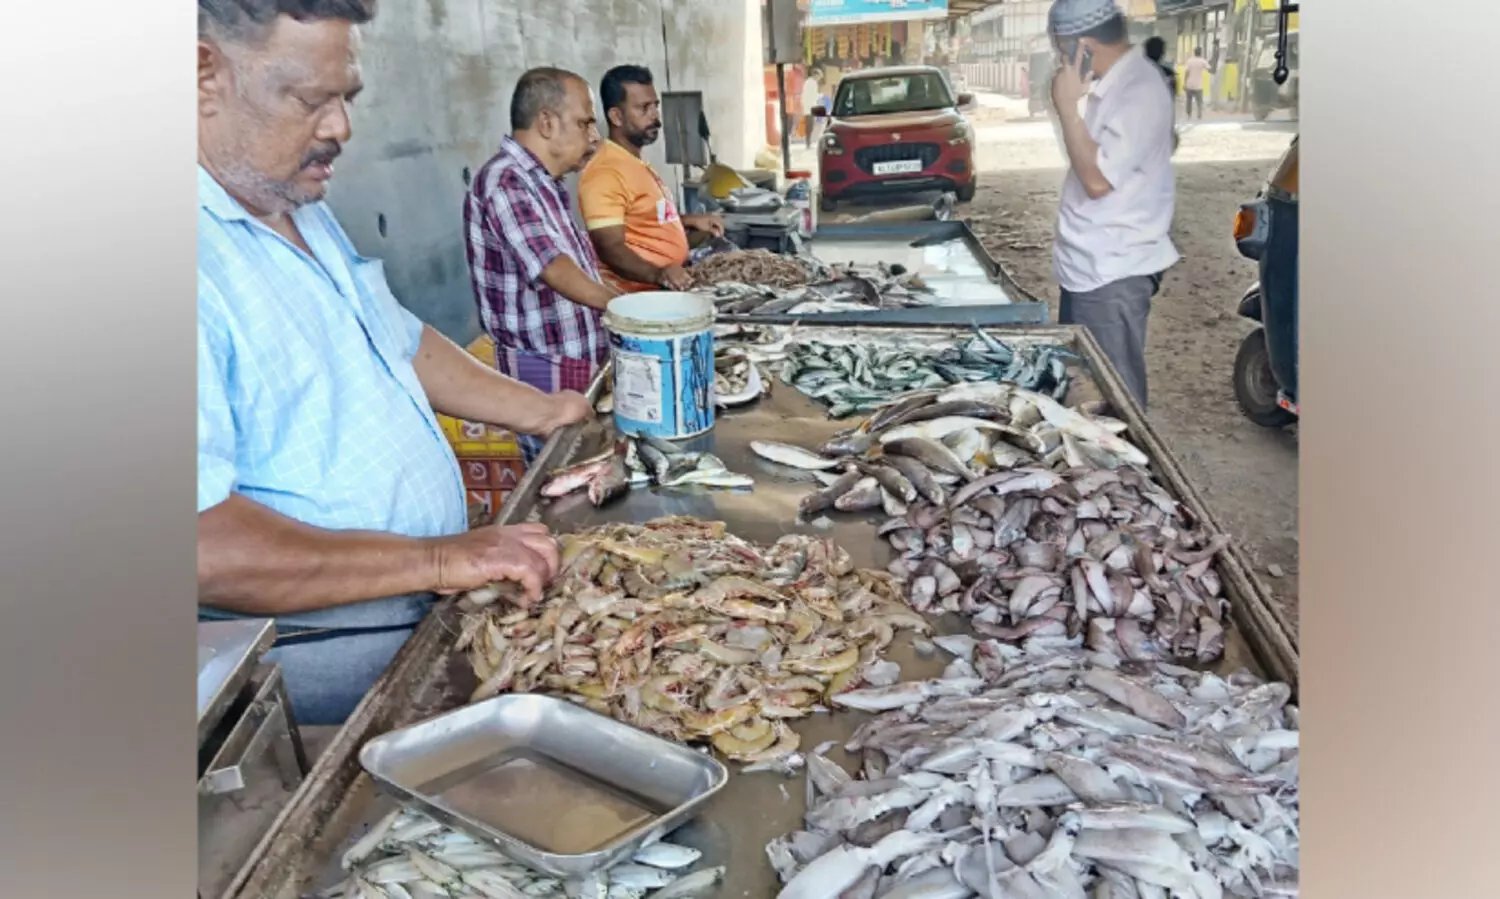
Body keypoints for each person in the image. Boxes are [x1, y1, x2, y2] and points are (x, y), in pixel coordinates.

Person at [197, 0, 590, 725]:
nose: (341, 128)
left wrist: (548, 410)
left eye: (346, 98)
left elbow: (397, 338)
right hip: (326, 690)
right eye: (312, 99)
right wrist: (439, 559)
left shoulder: (295, 203)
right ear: (202, 75)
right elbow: (202, 545)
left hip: (423, 619)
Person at [464, 67, 617, 463]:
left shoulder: (544, 183)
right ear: (547, 123)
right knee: (561, 477)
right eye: (584, 123)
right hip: (544, 369)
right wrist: (624, 307)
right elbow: (552, 266)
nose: (594, 136)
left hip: (574, 359)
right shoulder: (505, 181)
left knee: (589, 466)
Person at [1046, 0, 1180, 409]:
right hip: (1090, 268)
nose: (1059, 61)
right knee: (1083, 390)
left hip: (1111, 273)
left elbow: (1097, 180)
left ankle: (1129, 473)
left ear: (1082, 47)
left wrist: (1067, 107)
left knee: (1113, 400)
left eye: (1060, 50)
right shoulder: (1115, 86)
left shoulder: (1138, 91)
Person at [578, 65, 725, 295]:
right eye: (643, 108)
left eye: (655, 106)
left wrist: (688, 220)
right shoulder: (605, 171)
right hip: (639, 299)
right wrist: (659, 273)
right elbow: (610, 248)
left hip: (664, 288)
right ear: (616, 116)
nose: (655, 116)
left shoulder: (633, 160)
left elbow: (642, 218)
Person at [1183, 46, 1210, 120]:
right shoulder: (1203, 61)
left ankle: (1189, 114)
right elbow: (1209, 69)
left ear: (1194, 52)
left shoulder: (1189, 61)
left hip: (1189, 84)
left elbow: (1186, 72)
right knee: (1199, 101)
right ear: (1201, 53)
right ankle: (1199, 114)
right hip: (1198, 85)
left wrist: (1184, 83)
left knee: (1189, 100)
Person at [801, 68, 822, 149]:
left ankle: (808, 142)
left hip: (808, 106)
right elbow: (813, 95)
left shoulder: (807, 82)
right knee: (810, 125)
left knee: (809, 125)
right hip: (810, 107)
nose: (819, 79)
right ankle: (808, 143)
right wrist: (820, 96)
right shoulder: (812, 83)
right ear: (815, 75)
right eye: (819, 77)